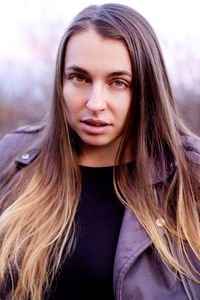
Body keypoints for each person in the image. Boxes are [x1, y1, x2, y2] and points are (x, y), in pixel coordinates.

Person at [0, 3, 200, 300]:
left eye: (118, 82)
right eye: (79, 77)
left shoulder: (190, 175)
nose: (95, 103)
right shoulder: (15, 158)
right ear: (61, 82)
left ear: (147, 88)